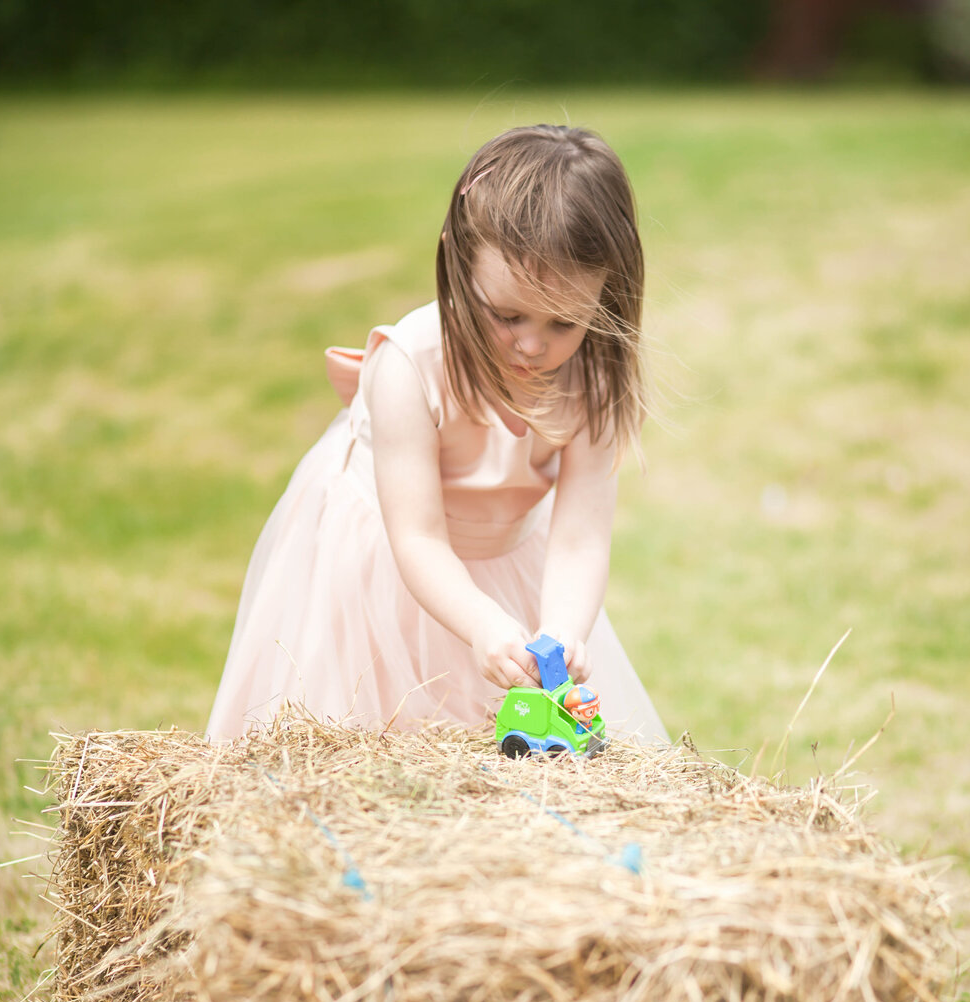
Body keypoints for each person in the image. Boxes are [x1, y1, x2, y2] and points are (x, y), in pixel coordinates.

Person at [207, 124, 667, 744]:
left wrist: (561, 629)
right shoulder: (409, 367)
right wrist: (481, 623)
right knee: (369, 739)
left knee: (504, 739)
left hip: (504, 557)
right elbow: (418, 539)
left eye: (564, 322)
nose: (532, 345)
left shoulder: (593, 382)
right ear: (457, 260)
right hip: (387, 564)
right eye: (507, 315)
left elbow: (580, 540)